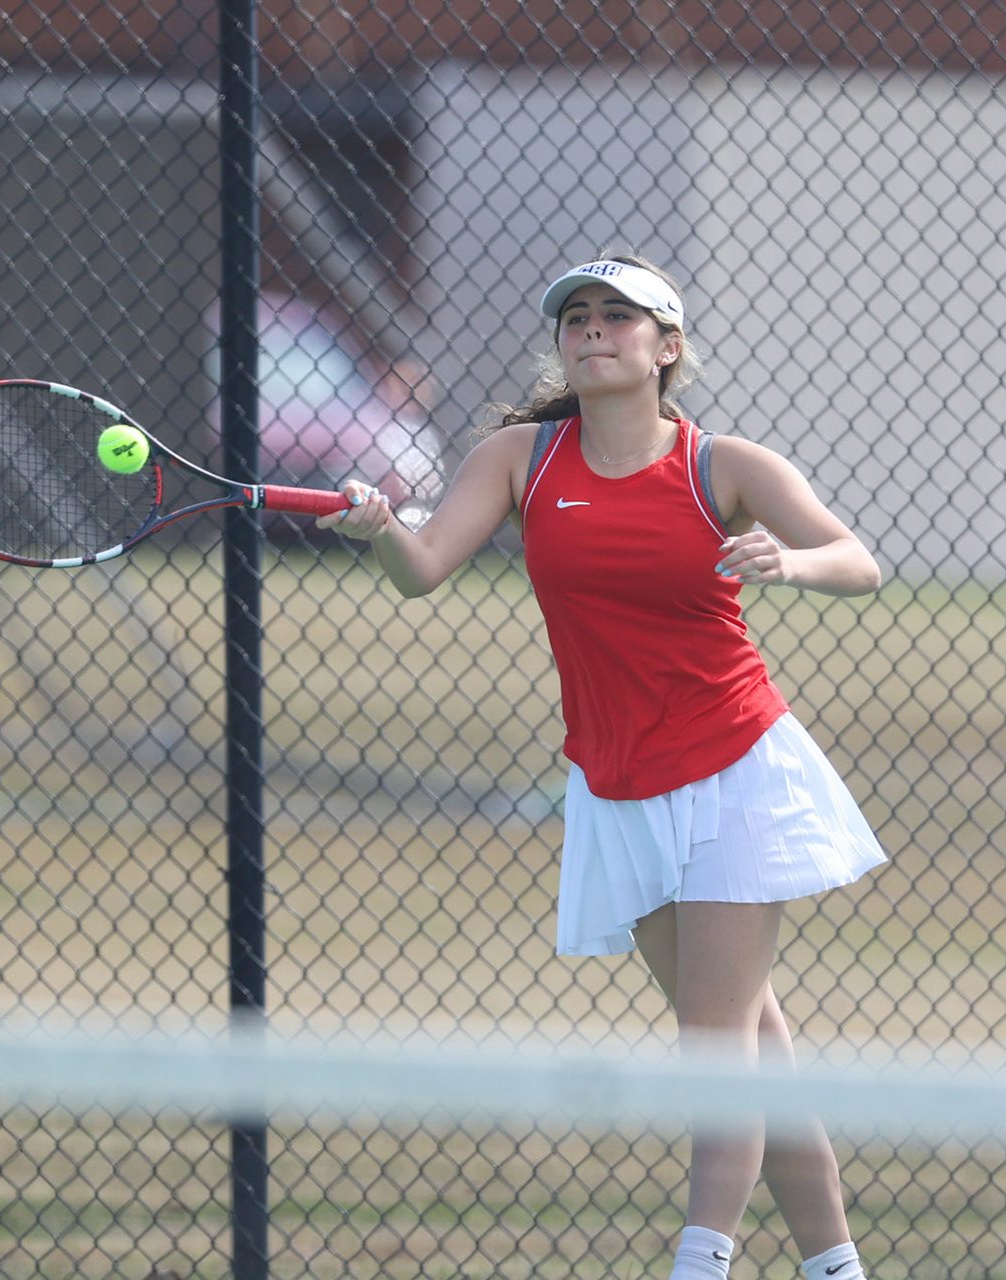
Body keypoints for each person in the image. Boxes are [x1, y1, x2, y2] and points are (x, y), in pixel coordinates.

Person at [318, 252, 888, 1280]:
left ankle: (699, 1263)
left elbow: (860, 560)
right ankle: (838, 1268)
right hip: (618, 783)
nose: (592, 331)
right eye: (576, 317)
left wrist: (788, 562)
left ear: (665, 349)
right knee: (753, 1043)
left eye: (618, 318)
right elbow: (422, 568)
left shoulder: (727, 464)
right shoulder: (519, 459)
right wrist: (380, 527)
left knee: (717, 1054)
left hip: (737, 769)